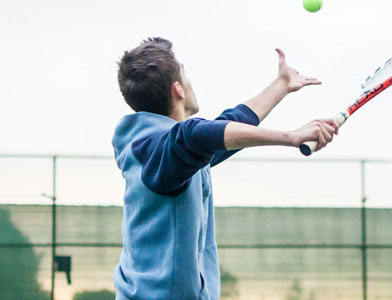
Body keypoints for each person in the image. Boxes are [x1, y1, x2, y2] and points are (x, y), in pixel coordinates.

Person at [111, 37, 338, 300]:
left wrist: (282, 85)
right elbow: (196, 134)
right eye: (186, 75)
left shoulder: (165, 152)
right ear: (178, 89)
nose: (190, 82)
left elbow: (226, 127)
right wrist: (289, 136)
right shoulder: (163, 151)